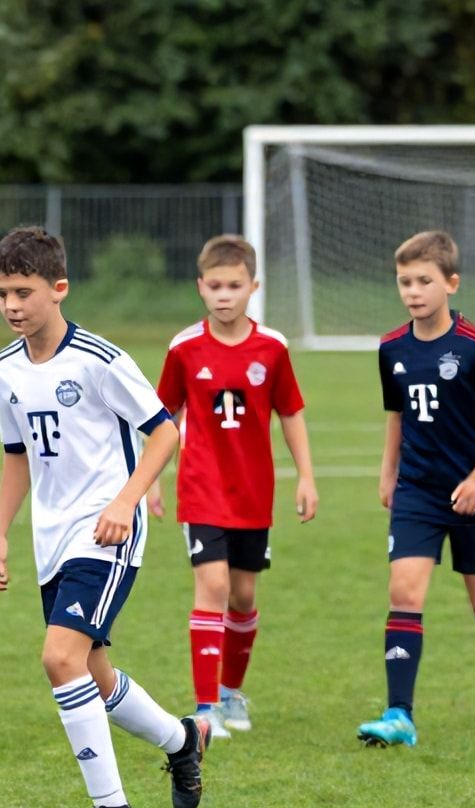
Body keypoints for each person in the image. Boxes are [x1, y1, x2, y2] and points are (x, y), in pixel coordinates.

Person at [0, 226, 209, 808]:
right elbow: (16, 455)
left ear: (59, 289)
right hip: (50, 537)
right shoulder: (5, 371)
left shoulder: (100, 361)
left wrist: (126, 500)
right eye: (1, 293)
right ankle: (183, 739)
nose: (11, 306)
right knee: (93, 673)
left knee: (59, 658)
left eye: (23, 292)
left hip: (108, 532)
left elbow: (164, 432)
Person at [360, 230, 475, 747]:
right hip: (417, 491)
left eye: (424, 281)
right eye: (404, 281)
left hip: (474, 496)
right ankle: (399, 717)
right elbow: (398, 414)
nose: (413, 291)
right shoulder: (391, 348)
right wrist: (389, 472)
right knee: (404, 591)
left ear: (450, 283)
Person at [149, 234, 318, 737]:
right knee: (214, 587)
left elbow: (290, 411)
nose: (225, 295)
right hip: (201, 488)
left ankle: (230, 692)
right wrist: (151, 479)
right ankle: (204, 708)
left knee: (243, 596)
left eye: (235, 286)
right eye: (216, 286)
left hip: (253, 493)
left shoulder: (272, 348)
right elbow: (164, 416)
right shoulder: (184, 348)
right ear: (201, 287)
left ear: (253, 287)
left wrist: (306, 475)